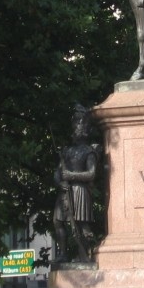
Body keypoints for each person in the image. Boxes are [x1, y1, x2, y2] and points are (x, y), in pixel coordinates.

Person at [53, 104, 99, 263]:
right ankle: (63, 254)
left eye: (79, 123)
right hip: (65, 191)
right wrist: (59, 182)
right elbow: (57, 172)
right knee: (58, 222)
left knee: (81, 225)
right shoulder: (67, 150)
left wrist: (71, 176)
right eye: (75, 123)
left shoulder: (89, 151)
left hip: (80, 191)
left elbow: (91, 173)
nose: (76, 127)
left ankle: (86, 254)